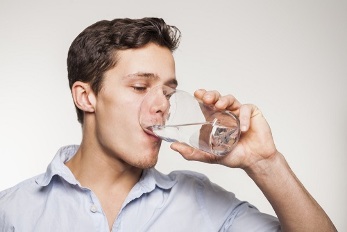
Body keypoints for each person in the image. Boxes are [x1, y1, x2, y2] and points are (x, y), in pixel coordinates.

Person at [0, 17, 336, 232]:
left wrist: (264, 163)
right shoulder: (13, 212)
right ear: (87, 97)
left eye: (169, 91)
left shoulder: (200, 202)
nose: (162, 104)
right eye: (140, 87)